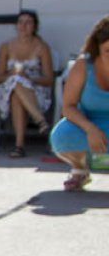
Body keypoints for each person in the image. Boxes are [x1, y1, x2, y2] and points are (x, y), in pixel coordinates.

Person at [49, 15, 109, 191]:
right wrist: (90, 129)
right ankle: (80, 168)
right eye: (108, 51)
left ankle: (103, 164)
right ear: (97, 48)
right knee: (62, 136)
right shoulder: (83, 65)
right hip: (87, 122)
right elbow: (68, 106)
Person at [0, 9, 55, 158]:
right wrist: (12, 73)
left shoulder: (42, 47)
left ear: (34, 26)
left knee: (17, 91)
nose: (23, 26)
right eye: (20, 22)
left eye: (28, 22)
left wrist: (28, 77)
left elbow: (49, 79)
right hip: (8, 89)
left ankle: (19, 146)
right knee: (15, 83)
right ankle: (40, 120)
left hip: (35, 90)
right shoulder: (6, 46)